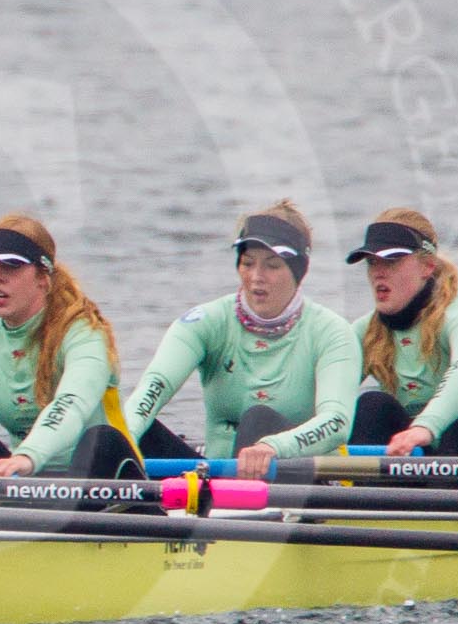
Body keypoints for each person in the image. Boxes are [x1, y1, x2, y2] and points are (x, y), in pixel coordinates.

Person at [124, 201, 361, 479]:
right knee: (117, 431)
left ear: (300, 271)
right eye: (248, 263)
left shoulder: (332, 333)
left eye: (272, 266)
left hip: (301, 483)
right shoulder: (205, 322)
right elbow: (154, 387)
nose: (256, 277)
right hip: (217, 479)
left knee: (258, 418)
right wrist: (125, 434)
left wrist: (273, 446)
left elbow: (336, 422)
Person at [0, 215, 140, 478]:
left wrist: (27, 456)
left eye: (11, 267)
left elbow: (71, 402)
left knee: (101, 439)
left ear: (43, 277)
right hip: (29, 479)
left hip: (104, 477)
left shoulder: (84, 333)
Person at [345, 209, 458, 457]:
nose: (378, 272)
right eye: (372, 262)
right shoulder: (364, 331)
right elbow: (320, 398)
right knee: (372, 405)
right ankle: (361, 493)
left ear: (428, 266)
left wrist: (425, 426)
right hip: (419, 463)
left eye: (391, 261)